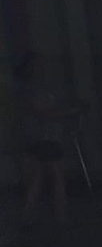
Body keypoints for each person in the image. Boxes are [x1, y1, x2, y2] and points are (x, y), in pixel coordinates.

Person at [15, 53, 73, 229]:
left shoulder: (37, 87)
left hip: (43, 137)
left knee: (38, 177)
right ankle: (62, 220)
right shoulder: (34, 89)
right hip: (45, 137)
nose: (43, 67)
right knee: (57, 175)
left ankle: (26, 217)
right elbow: (44, 114)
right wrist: (69, 112)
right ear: (31, 69)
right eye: (39, 64)